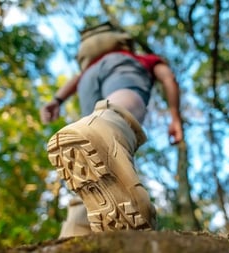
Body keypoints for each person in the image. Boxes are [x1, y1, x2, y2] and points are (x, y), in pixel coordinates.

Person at [40, 26, 183, 236]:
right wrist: (175, 117)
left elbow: (77, 79)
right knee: (118, 108)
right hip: (120, 66)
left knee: (89, 139)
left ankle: (77, 227)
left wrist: (57, 100)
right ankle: (108, 125)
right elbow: (169, 79)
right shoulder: (142, 58)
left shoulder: (90, 65)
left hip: (86, 81)